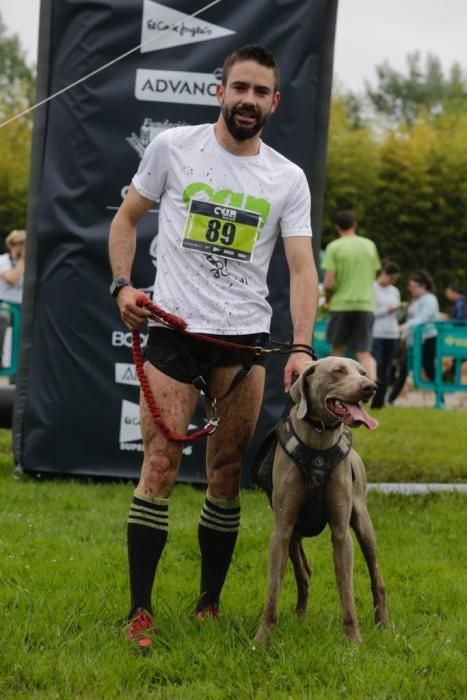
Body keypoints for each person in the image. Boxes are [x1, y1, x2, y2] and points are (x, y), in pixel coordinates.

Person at [108, 45, 319, 649]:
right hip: (175, 331)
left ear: (274, 102)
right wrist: (123, 285)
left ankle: (209, 604)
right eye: (240, 88)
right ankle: (140, 613)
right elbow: (126, 220)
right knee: (159, 466)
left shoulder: (287, 178)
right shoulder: (173, 149)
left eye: (261, 92)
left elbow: (302, 270)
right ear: (218, 91)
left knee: (226, 473)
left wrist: (301, 347)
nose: (248, 100)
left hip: (243, 343)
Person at [321, 210, 380, 380]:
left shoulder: (334, 247)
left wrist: (328, 298)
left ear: (336, 227)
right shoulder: (370, 245)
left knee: (337, 352)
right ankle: (373, 388)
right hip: (365, 305)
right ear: (355, 224)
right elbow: (374, 274)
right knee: (364, 353)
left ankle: (338, 389)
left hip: (341, 305)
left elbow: (329, 283)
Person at [388, 270, 439, 404]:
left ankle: (440, 398)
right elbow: (411, 317)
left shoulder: (430, 299)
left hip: (427, 339)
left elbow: (423, 318)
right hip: (413, 341)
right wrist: (405, 334)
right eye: (410, 287)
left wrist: (405, 326)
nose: (411, 290)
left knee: (429, 370)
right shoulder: (415, 300)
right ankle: (390, 399)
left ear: (423, 286)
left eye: (413, 286)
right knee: (404, 369)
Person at [370, 260, 401, 408]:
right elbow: (370, 313)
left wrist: (399, 311)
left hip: (392, 333)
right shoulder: (371, 288)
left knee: (388, 367)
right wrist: (386, 311)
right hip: (377, 332)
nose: (392, 282)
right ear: (383, 273)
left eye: (395, 280)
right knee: (377, 365)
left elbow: (396, 315)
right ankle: (371, 397)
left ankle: (380, 401)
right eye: (391, 278)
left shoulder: (395, 291)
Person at [0, 229, 26, 365]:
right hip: (5, 305)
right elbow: (11, 279)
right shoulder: (3, 261)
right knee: (2, 317)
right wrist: (21, 260)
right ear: (11, 245)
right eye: (18, 244)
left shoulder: (32, 264)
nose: (21, 248)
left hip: (23, 306)